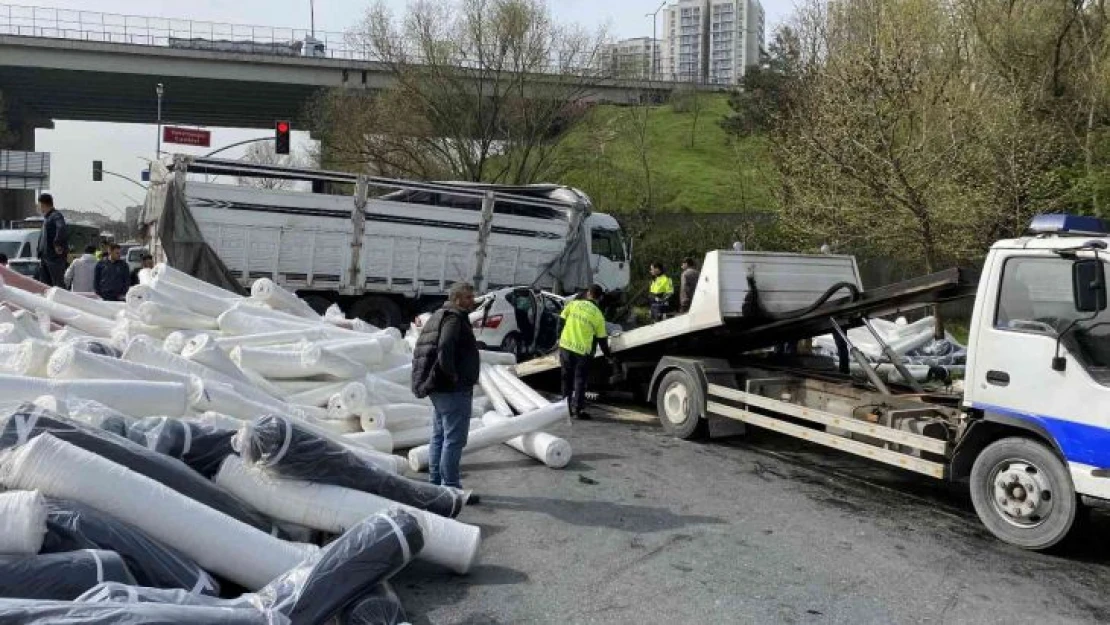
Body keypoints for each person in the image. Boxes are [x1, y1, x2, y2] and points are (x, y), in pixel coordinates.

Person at [411, 282, 481, 496]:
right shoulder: (454, 318)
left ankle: (436, 484)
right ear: (457, 299)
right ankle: (451, 489)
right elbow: (444, 346)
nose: (473, 300)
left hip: (439, 388)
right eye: (468, 297)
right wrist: (452, 374)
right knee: (454, 440)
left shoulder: (440, 314)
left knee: (440, 436)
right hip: (452, 389)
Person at [557, 284, 614, 420]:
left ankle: (564, 409)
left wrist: (559, 337)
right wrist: (608, 356)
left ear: (588, 293)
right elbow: (602, 339)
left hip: (565, 347)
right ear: (599, 298)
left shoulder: (574, 304)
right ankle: (577, 410)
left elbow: (561, 321)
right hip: (582, 352)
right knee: (580, 381)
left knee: (566, 379)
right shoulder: (598, 315)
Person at [35, 193, 67, 287]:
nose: (39, 208)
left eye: (39, 205)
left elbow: (61, 228)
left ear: (43, 205)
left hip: (53, 258)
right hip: (45, 257)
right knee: (45, 286)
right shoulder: (47, 218)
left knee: (57, 286)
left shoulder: (56, 215)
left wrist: (58, 243)